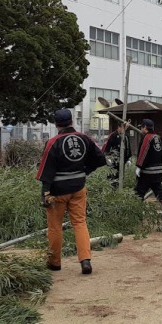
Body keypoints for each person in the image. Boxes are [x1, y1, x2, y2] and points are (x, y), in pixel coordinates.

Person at [36, 108, 106, 274]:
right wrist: (86, 171)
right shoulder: (84, 138)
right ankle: (85, 260)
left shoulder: (53, 142)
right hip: (78, 188)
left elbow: (47, 169)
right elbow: (101, 159)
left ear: (56, 124)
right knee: (80, 223)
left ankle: (55, 262)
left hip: (57, 191)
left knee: (55, 227)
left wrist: (45, 192)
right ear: (72, 121)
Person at [133, 118, 162, 206]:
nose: (141, 129)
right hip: (158, 171)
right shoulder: (158, 137)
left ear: (145, 127)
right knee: (159, 192)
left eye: (141, 127)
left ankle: (136, 210)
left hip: (147, 172)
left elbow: (143, 153)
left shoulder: (147, 138)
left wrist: (139, 166)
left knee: (139, 192)